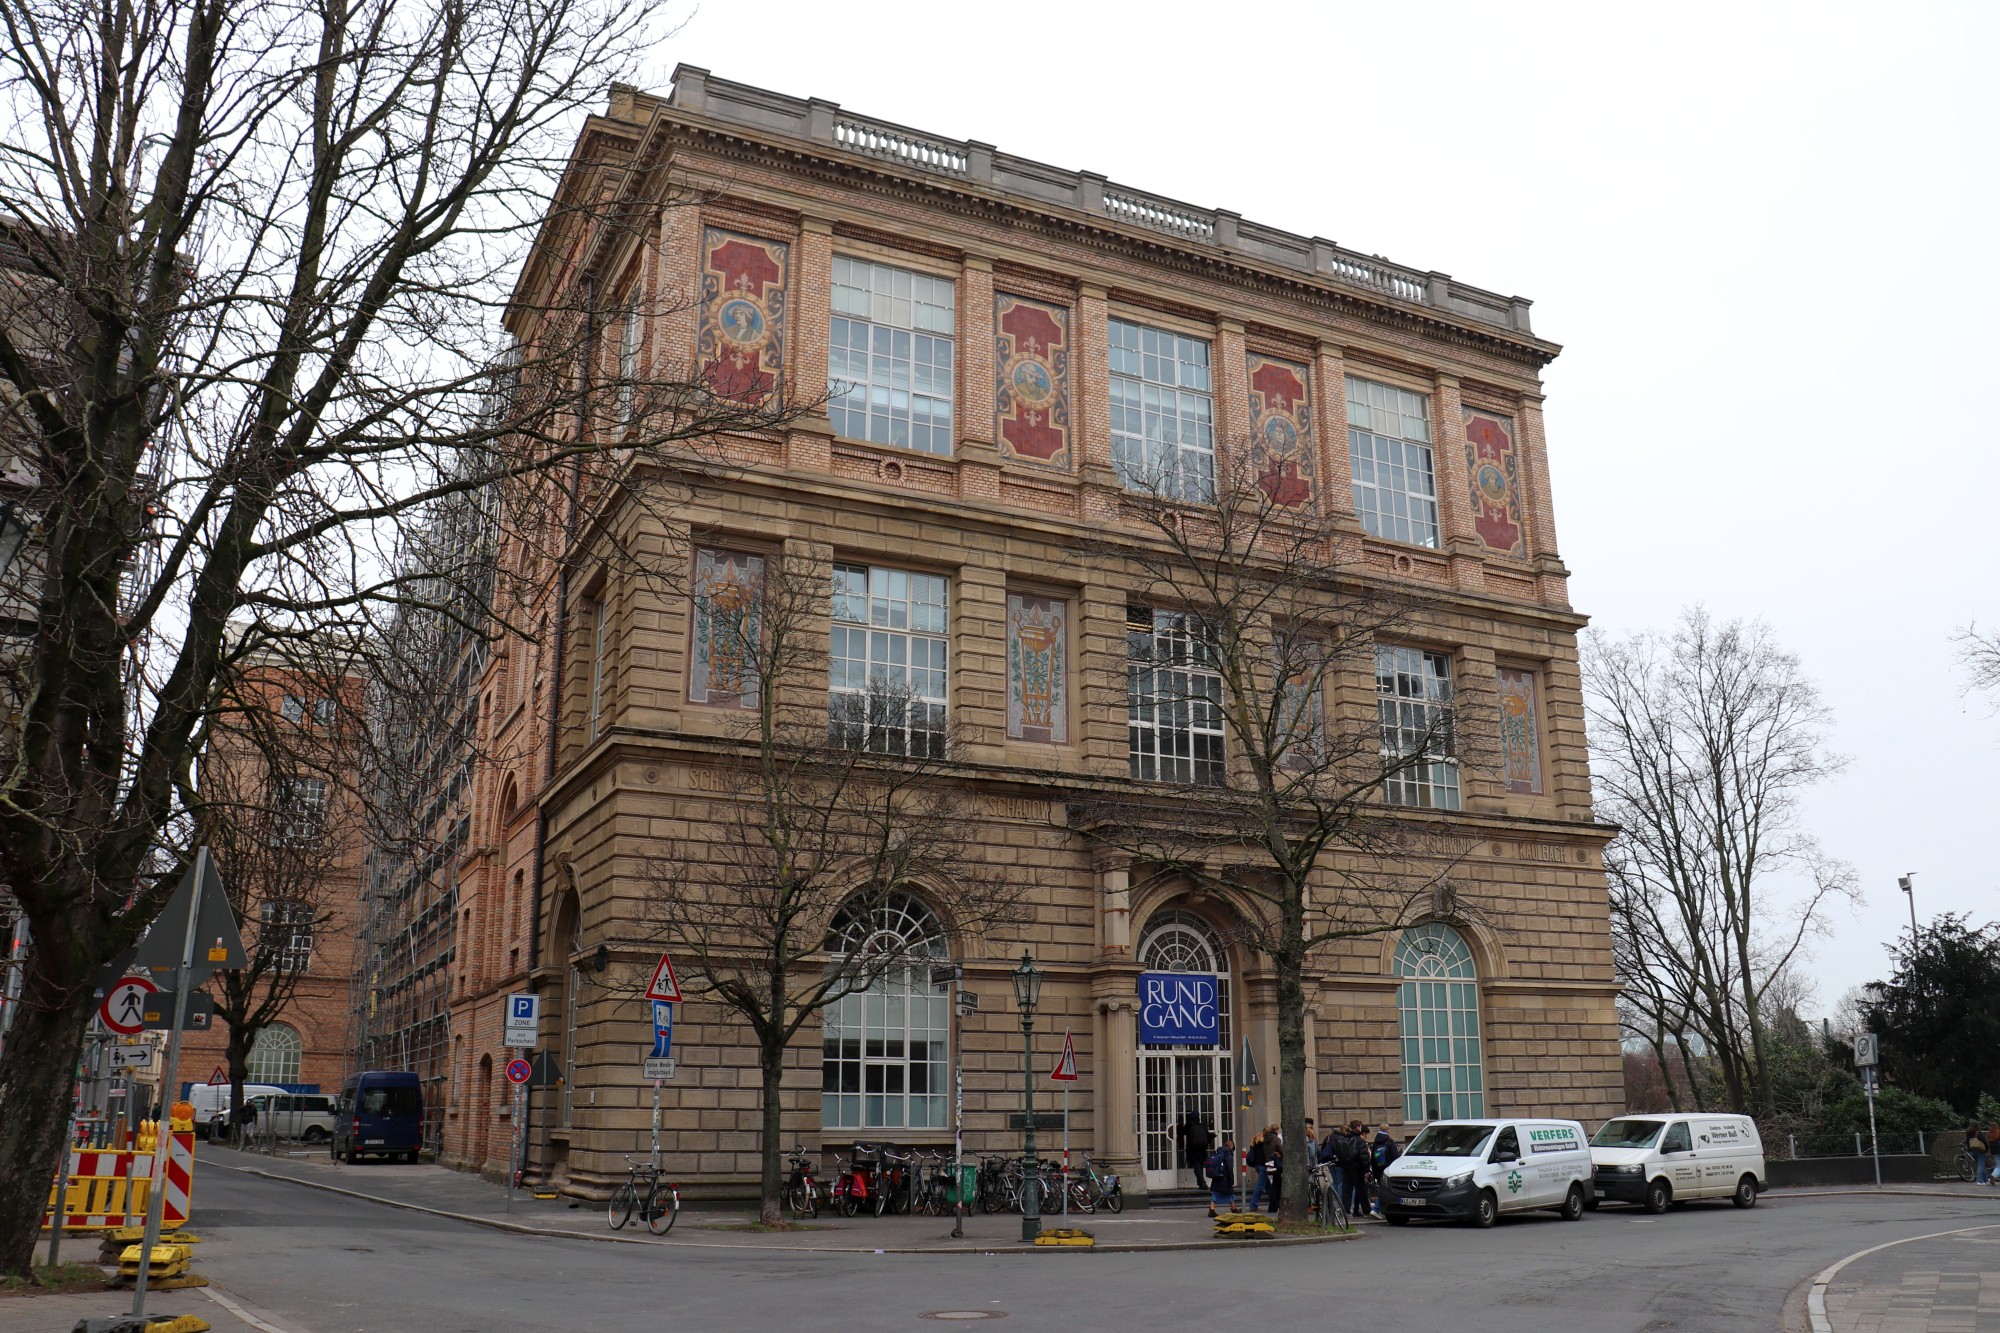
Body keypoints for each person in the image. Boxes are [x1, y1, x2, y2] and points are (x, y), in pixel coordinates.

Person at [1173, 1110, 1213, 1190]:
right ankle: (1201, 1183)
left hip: (1193, 1150)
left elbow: (1181, 1132)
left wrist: (1176, 1128)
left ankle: (1202, 1183)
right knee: (1199, 1166)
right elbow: (1208, 1137)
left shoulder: (1189, 1125)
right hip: (1202, 1150)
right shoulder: (1203, 1126)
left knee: (1197, 1166)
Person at [1205, 1137, 1236, 1218]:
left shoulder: (1218, 1152)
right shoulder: (1228, 1154)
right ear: (1232, 1146)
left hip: (1217, 1176)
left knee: (1215, 1193)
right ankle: (1234, 1209)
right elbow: (1229, 1168)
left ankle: (1212, 1210)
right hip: (1224, 1177)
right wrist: (1231, 1180)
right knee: (1230, 1193)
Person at [1972, 1120, 1993, 1186]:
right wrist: (1986, 1149)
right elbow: (1984, 1141)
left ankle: (1986, 1179)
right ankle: (1979, 1181)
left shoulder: (1970, 1133)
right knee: (1981, 1166)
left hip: (1973, 1151)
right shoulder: (1979, 1133)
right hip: (1980, 1151)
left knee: (1981, 1166)